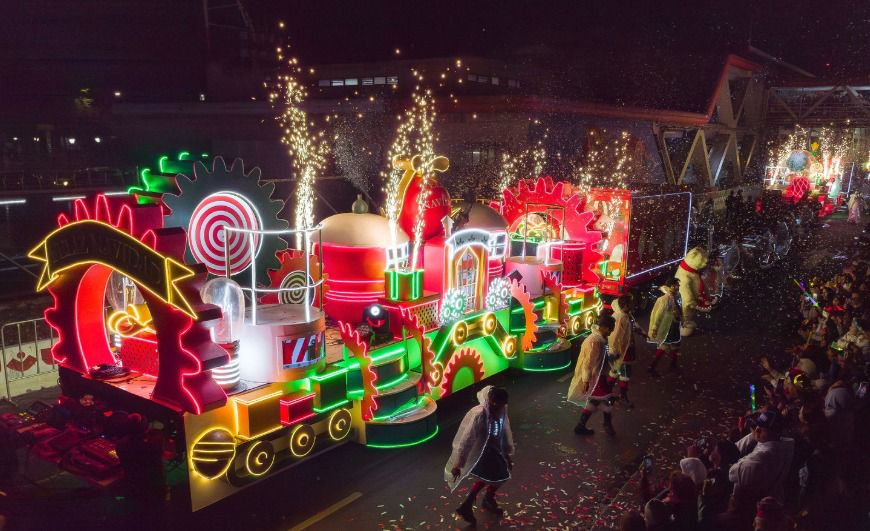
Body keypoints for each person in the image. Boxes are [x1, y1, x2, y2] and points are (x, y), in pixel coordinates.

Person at [445, 386, 514, 525]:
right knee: (496, 476)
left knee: (495, 476)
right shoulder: (480, 414)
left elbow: (504, 431)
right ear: (490, 400)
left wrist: (507, 453)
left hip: (495, 451)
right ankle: (477, 502)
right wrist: (459, 464)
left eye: (501, 404)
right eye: (495, 403)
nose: (498, 407)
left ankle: (479, 501)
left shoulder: (501, 410)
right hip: (483, 453)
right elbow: (467, 440)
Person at [728, 410, 795, 505]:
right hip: (776, 496)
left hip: (756, 505)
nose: (757, 430)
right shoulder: (786, 443)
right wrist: (754, 436)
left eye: (763, 429)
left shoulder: (763, 457)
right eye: (757, 425)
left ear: (775, 432)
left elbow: (732, 474)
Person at [568, 314, 618, 436]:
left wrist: (612, 357)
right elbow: (588, 363)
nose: (611, 332)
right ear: (604, 327)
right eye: (610, 328)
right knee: (605, 400)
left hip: (599, 375)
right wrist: (585, 380)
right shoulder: (594, 341)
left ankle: (580, 426)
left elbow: (604, 355)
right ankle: (607, 425)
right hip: (595, 377)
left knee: (595, 401)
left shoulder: (601, 339)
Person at [608, 294, 646, 408]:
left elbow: (633, 326)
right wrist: (614, 351)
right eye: (631, 304)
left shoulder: (626, 314)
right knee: (624, 373)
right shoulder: (620, 317)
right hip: (622, 350)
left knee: (615, 372)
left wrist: (642, 333)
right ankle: (622, 397)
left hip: (624, 349)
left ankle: (607, 395)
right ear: (625, 305)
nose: (633, 306)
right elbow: (614, 336)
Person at [648, 278, 682, 376]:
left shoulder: (676, 296)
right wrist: (655, 328)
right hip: (669, 327)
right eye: (676, 285)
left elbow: (678, 309)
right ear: (671, 286)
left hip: (674, 325)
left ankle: (658, 366)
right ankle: (654, 367)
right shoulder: (665, 299)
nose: (678, 287)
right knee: (668, 346)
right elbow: (659, 314)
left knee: (672, 346)